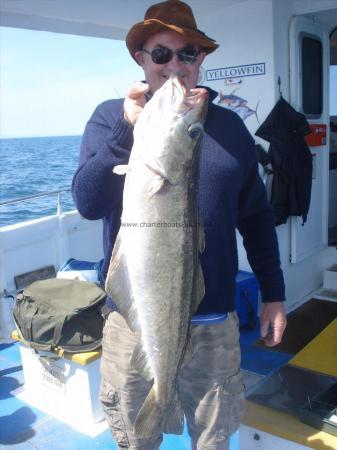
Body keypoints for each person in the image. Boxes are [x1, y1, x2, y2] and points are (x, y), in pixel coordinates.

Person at [72, 1, 287, 448]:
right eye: (161, 54)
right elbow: (89, 203)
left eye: (187, 53)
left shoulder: (229, 127)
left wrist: (274, 294)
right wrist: (124, 136)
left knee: (213, 438)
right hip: (133, 323)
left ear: (201, 58)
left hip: (214, 324)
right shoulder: (111, 119)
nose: (175, 66)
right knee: (135, 437)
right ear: (141, 59)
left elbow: (257, 217)